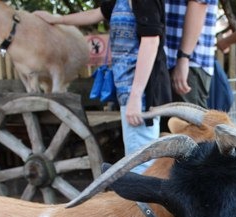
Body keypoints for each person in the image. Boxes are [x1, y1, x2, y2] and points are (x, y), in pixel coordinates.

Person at [34, 0, 171, 174]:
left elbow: (151, 41)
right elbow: (96, 13)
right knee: (138, 159)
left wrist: (135, 97)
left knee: (142, 164)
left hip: (142, 94)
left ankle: (142, 202)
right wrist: (57, 19)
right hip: (130, 92)